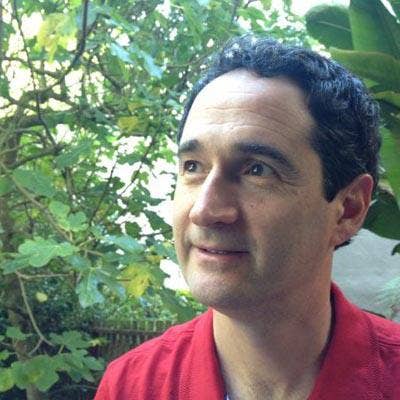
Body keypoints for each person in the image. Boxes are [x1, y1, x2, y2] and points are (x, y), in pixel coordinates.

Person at [94, 35, 400, 400]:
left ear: (348, 209)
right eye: (193, 167)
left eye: (257, 170)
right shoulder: (132, 386)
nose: (204, 210)